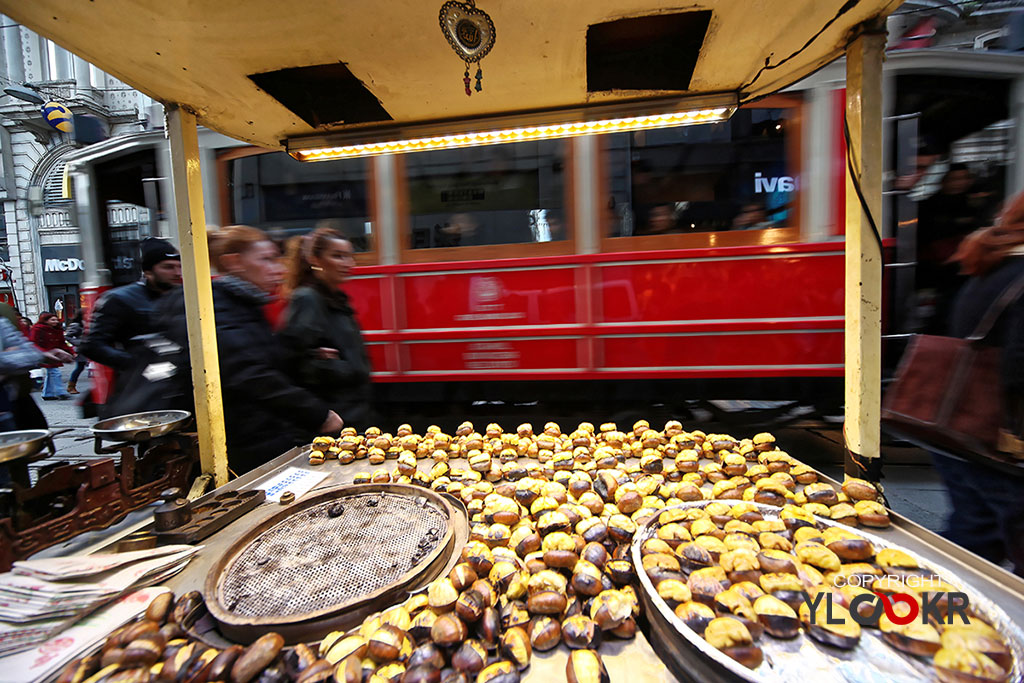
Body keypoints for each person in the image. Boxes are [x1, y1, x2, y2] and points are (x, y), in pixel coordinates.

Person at [156, 225, 343, 474]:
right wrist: (317, 414)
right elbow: (247, 372)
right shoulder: (216, 308)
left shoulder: (244, 304)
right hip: (237, 444)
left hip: (255, 437)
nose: (279, 269)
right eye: (266, 259)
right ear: (234, 262)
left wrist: (307, 354)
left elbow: (257, 355)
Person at [935, 190, 1024, 577]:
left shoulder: (990, 264)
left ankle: (923, 611)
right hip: (999, 437)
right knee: (991, 533)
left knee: (974, 534)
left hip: (956, 424)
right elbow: (1018, 365)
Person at [278, 227, 371, 429]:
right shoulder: (308, 298)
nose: (348, 264)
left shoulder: (334, 298)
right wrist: (339, 368)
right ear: (315, 260)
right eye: (338, 256)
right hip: (334, 415)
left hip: (352, 409)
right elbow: (291, 360)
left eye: (349, 256)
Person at [80, 238, 183, 416]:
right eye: (168, 267)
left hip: (179, 383)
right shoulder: (119, 299)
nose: (176, 272)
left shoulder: (183, 296)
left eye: (178, 266)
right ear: (148, 271)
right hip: (144, 389)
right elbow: (92, 345)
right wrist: (134, 363)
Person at [28, 313, 75, 401]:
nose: (55, 322)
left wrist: (71, 352)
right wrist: (42, 352)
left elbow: (62, 343)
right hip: (43, 354)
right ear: (45, 320)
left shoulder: (57, 330)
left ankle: (47, 393)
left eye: (56, 320)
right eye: (52, 320)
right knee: (55, 372)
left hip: (54, 354)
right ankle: (60, 392)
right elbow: (33, 342)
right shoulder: (38, 329)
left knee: (51, 373)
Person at [64, 310, 87, 395]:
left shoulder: (88, 322)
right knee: (80, 367)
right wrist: (78, 342)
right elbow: (67, 336)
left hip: (90, 347)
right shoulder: (76, 324)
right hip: (82, 349)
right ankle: (71, 386)